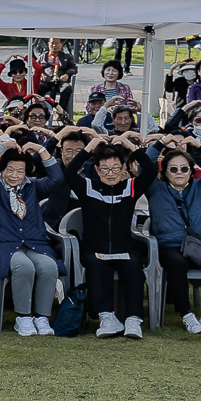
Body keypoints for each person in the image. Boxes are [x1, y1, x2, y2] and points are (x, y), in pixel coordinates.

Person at [0, 142, 65, 336]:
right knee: (24, 267)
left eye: (20, 171)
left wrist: (40, 149)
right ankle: (23, 317)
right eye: (10, 170)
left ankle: (41, 317)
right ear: (3, 169)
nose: (15, 175)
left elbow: (57, 178)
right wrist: (2, 146)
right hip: (4, 244)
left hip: (35, 243)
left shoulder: (33, 186)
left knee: (49, 267)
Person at [67, 137, 154, 339]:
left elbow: (150, 171)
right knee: (96, 265)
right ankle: (106, 317)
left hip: (124, 248)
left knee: (134, 265)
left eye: (115, 168)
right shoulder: (88, 188)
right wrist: (89, 148)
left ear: (123, 168)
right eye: (105, 169)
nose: (111, 173)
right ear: (97, 170)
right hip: (94, 249)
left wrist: (132, 147)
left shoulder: (130, 188)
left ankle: (133, 319)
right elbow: (69, 173)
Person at [147, 133, 201, 336]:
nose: (179, 172)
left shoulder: (200, 187)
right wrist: (161, 143)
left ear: (192, 172)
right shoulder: (155, 189)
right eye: (173, 169)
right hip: (170, 245)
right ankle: (186, 314)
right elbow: (144, 166)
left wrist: (198, 144)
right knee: (176, 263)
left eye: (184, 168)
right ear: (165, 172)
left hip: (199, 244)